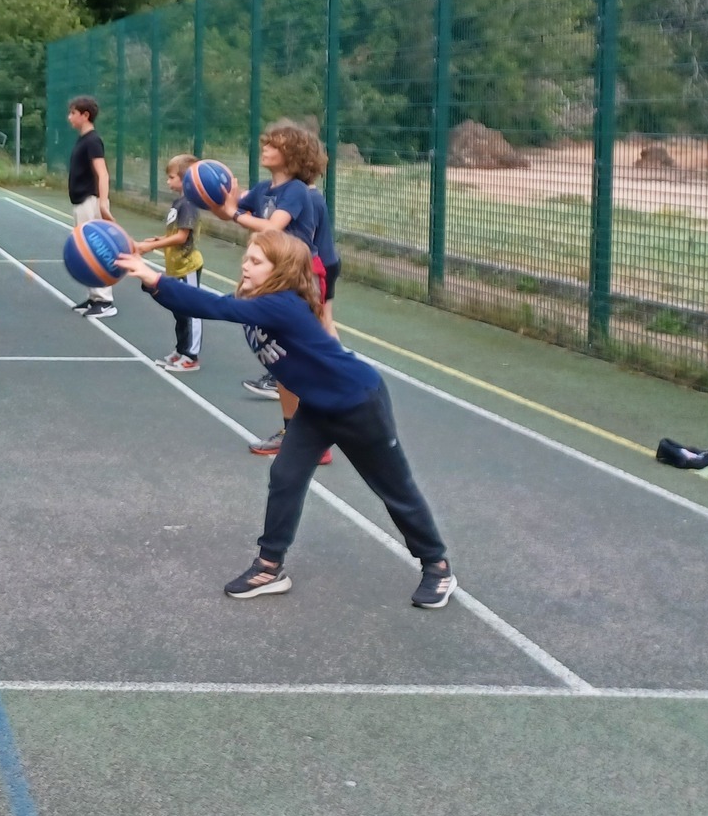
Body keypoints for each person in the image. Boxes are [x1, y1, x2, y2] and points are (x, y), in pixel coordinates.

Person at [114, 229, 456, 609]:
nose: (245, 263)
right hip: (317, 406)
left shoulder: (281, 305)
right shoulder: (255, 300)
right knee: (285, 476)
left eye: (256, 261)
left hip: (357, 403)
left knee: (394, 489)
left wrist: (154, 277)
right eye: (247, 257)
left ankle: (437, 566)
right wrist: (155, 285)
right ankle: (269, 565)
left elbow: (214, 307)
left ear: (282, 271)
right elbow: (206, 304)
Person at [207, 120, 330, 454]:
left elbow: (273, 227)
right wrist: (213, 194)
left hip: (295, 278)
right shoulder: (264, 189)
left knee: (298, 358)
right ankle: (297, 432)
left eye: (273, 144)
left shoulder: (296, 191)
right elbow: (228, 212)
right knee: (283, 361)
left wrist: (233, 212)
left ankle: (316, 434)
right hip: (271, 281)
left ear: (291, 153)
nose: (265, 148)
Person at [134, 153, 205, 372]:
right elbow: (174, 234)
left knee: (191, 310)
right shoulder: (179, 202)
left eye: (171, 177)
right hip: (175, 266)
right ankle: (181, 349)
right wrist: (159, 240)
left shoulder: (189, 204)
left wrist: (152, 247)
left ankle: (191, 356)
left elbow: (182, 237)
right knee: (179, 311)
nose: (168, 181)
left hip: (187, 266)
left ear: (185, 179)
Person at [64, 95, 115, 319]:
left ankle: (105, 300)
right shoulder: (82, 140)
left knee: (94, 250)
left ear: (85, 115)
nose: (69, 117)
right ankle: (94, 296)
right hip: (79, 202)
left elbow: (102, 173)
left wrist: (102, 202)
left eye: (73, 113)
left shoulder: (93, 141)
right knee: (84, 252)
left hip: (90, 202)